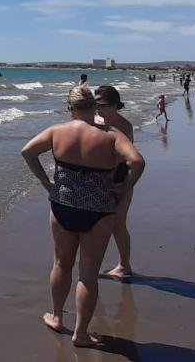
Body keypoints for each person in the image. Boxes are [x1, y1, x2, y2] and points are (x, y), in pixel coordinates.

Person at [21, 86, 145, 348]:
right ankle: (81, 334)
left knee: (60, 265)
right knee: (87, 275)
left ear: (70, 108)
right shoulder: (111, 135)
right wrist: (124, 188)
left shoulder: (57, 131)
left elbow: (28, 152)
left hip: (62, 206)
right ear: (94, 107)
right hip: (98, 211)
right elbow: (137, 161)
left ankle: (57, 317)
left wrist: (46, 183)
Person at [94, 85, 136, 280]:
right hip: (96, 179)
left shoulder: (124, 126)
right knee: (95, 226)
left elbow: (124, 159)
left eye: (101, 105)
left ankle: (124, 265)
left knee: (118, 224)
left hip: (118, 179)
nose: (97, 108)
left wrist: (123, 187)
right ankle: (92, 265)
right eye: (94, 104)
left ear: (115, 105)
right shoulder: (94, 121)